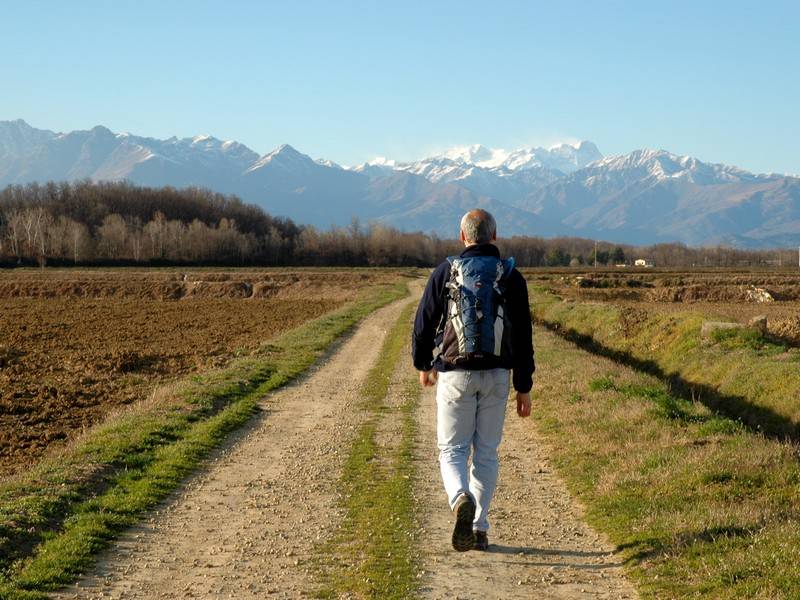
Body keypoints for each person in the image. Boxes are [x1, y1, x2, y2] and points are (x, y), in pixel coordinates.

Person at [412, 209, 534, 552]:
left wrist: (424, 364)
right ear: (494, 237)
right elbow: (523, 337)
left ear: (462, 237)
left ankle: (459, 498)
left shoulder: (445, 272)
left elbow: (423, 324)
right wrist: (524, 386)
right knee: (486, 453)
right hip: (497, 375)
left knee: (452, 450)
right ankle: (479, 528)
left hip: (455, 374)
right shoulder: (511, 276)